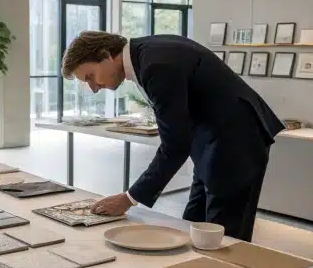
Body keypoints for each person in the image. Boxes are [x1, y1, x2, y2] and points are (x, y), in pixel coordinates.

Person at [61, 31, 284, 242]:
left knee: (223, 236)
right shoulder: (146, 53)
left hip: (236, 143)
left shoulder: (156, 65)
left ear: (106, 56)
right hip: (213, 142)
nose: (93, 88)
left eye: (90, 76)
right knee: (192, 226)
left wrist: (129, 198)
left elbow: (175, 146)